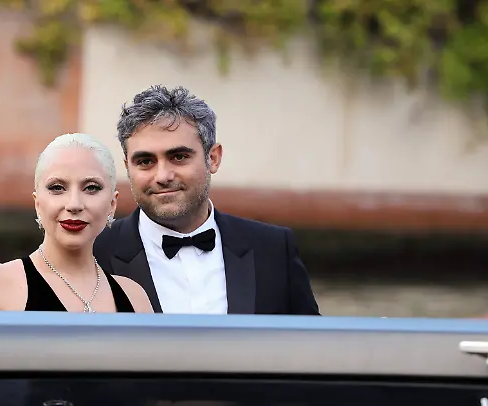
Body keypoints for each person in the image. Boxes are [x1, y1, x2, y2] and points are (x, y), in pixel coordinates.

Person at [94, 84, 320, 315]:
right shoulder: (94, 253)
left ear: (213, 158)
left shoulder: (273, 249)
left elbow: (313, 345)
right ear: (127, 168)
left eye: (179, 157)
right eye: (145, 161)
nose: (162, 176)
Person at [0, 133, 153, 314]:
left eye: (91, 188)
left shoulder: (135, 298)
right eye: (57, 187)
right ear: (38, 203)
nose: (74, 204)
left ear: (112, 204)